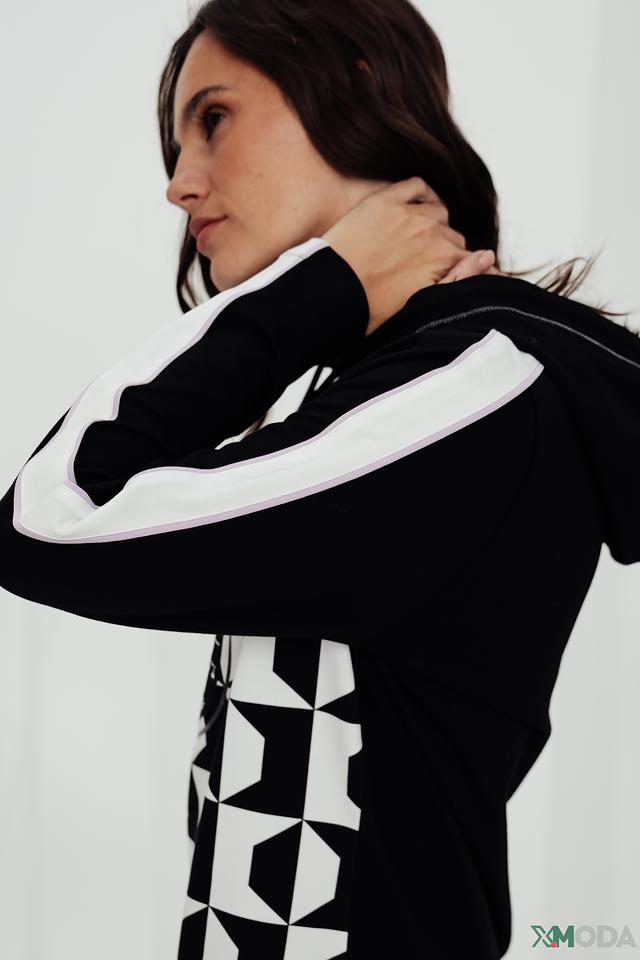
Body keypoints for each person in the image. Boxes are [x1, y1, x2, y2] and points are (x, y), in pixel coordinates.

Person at [1, 2, 638, 959]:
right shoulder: (391, 392)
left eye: (214, 119)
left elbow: (54, 515)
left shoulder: (466, 395)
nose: (179, 184)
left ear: (354, 88)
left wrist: (324, 287)